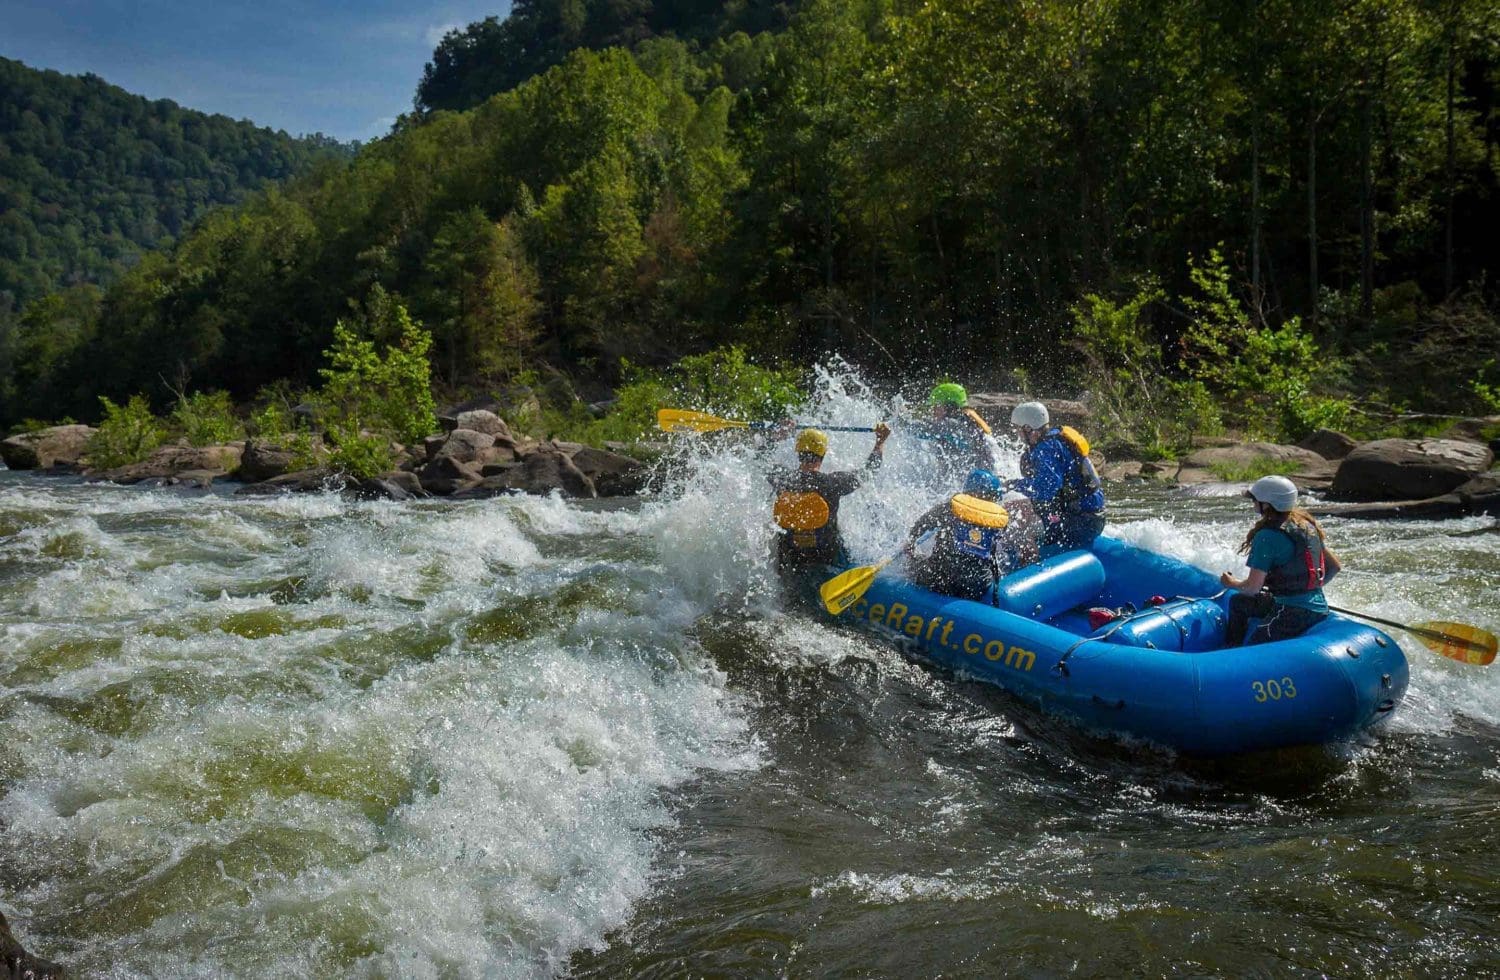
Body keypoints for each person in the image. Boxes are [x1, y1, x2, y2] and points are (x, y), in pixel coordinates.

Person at [1219, 475, 1343, 646]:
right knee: (1238, 603)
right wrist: (1305, 590)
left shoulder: (1266, 536)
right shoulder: (1306, 526)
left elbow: (1252, 589)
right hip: (1319, 607)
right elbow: (1334, 567)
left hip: (1291, 612)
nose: (1253, 504)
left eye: (1255, 501)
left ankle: (1233, 655)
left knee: (1254, 648)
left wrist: (1231, 583)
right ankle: (1230, 648)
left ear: (1267, 505)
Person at [767, 423, 891, 573]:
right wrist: (880, 441)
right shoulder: (833, 483)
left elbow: (761, 458)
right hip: (826, 556)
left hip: (791, 558)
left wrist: (775, 437)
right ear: (823, 454)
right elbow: (869, 471)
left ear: (798, 452)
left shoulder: (782, 479)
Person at [902, 469, 1042, 601]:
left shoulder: (950, 508)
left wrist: (911, 542)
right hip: (977, 585)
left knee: (915, 562)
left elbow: (921, 524)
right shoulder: (998, 518)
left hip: (941, 579)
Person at [1007, 401, 1106, 550]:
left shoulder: (1045, 449)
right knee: (1015, 507)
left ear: (1029, 428)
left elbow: (1046, 490)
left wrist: (1013, 485)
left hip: (1079, 523)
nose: (1018, 435)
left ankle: (1029, 568)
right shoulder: (1056, 439)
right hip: (1091, 517)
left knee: (1019, 525)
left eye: (1019, 430)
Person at [919, 383, 1000, 479]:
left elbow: (924, 430)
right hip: (981, 477)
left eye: (937, 406)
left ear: (949, 407)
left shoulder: (954, 424)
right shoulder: (966, 421)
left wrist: (903, 423)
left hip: (978, 481)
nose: (933, 411)